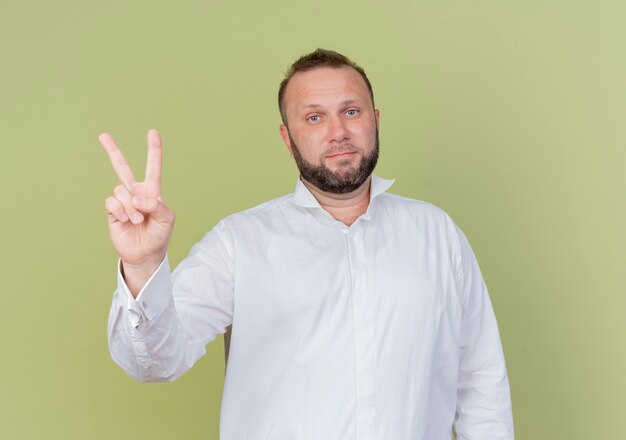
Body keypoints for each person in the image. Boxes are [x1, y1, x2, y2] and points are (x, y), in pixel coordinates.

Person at [101, 49, 514, 439]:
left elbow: (481, 382)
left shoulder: (437, 234)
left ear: (375, 119)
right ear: (287, 137)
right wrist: (143, 267)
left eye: (351, 111)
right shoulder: (239, 243)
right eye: (314, 118)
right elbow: (155, 361)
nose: (338, 132)